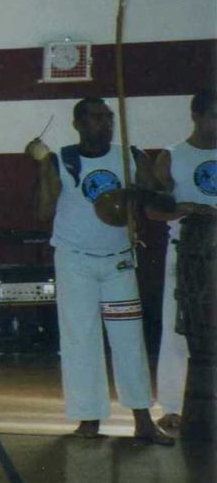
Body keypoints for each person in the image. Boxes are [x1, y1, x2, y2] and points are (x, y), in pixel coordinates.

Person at [25, 97, 171, 444]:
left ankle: (142, 419)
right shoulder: (62, 160)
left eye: (108, 118)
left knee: (129, 337)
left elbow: (163, 200)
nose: (105, 124)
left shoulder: (131, 156)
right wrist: (43, 169)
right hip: (75, 260)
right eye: (96, 118)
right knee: (80, 338)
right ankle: (88, 418)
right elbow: (43, 212)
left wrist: (138, 193)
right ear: (77, 124)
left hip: (118, 259)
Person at [148, 89, 217, 431]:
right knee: (175, 328)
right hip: (185, 251)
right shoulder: (172, 156)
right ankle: (172, 405)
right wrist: (185, 208)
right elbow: (153, 210)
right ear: (196, 116)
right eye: (214, 116)